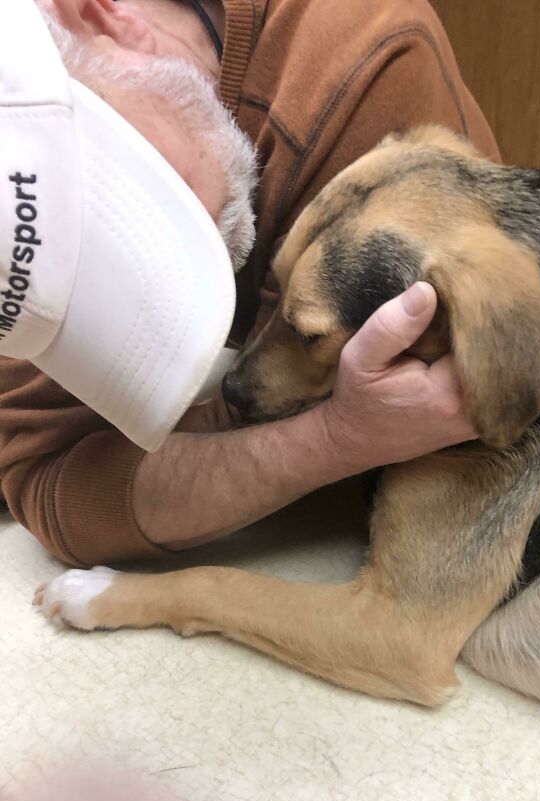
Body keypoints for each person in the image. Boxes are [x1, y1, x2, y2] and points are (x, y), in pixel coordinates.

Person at [0, 0, 499, 567]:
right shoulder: (26, 211)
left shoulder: (362, 67)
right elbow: (47, 476)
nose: (147, 278)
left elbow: (457, 404)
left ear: (99, 16)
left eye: (110, 207)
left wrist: (330, 439)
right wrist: (332, 439)